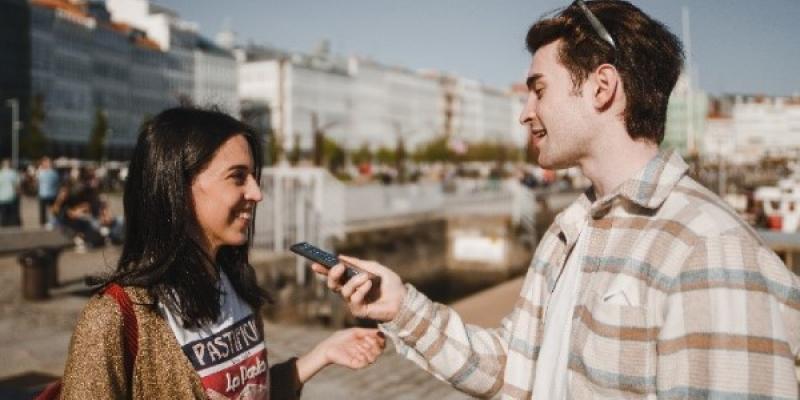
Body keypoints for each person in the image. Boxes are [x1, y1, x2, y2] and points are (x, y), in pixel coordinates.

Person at [313, 1, 800, 399]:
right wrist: (399, 306)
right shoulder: (573, 228)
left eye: (538, 90)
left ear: (602, 88)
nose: (526, 113)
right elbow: (514, 368)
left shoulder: (706, 248)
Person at [60, 107, 385, 399]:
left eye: (254, 177)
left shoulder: (235, 282)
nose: (257, 193)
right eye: (237, 177)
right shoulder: (115, 318)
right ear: (178, 186)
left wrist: (323, 354)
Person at [36, 156, 60, 226]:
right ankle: (45, 222)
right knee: (45, 209)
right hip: (46, 193)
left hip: (49, 193)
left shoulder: (43, 172)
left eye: (47, 162)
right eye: (45, 162)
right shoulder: (53, 172)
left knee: (50, 209)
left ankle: (50, 221)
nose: (46, 164)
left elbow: (38, 181)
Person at [0, 159, 21, 226]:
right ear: (10, 165)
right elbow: (17, 186)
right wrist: (18, 194)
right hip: (12, 196)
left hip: (2, 197)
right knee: (12, 213)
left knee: (3, 213)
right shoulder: (14, 173)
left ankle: (4, 224)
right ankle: (12, 224)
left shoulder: (0, 174)